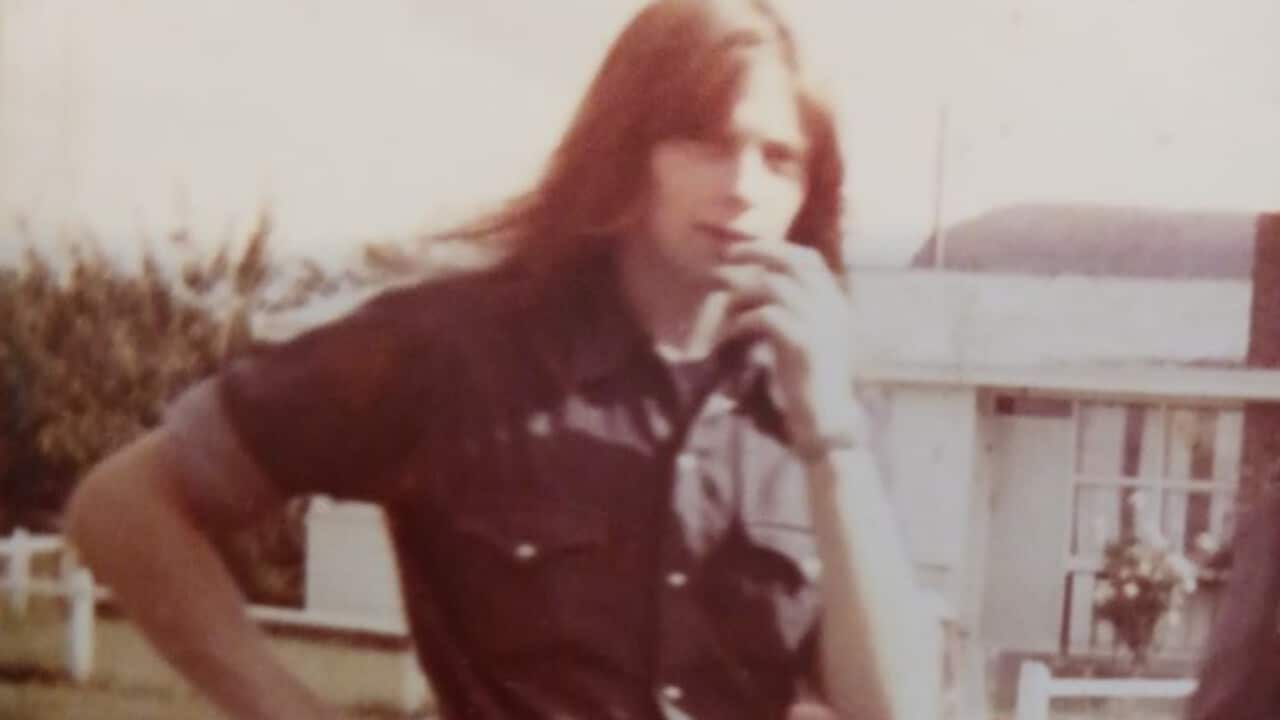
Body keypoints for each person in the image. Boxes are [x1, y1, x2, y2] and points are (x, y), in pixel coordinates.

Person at [64, 1, 937, 718]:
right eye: (704, 140)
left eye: (780, 157)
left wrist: (831, 433)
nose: (744, 186)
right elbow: (122, 508)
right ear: (627, 147)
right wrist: (280, 706)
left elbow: (896, 711)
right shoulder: (452, 350)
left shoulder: (821, 414)